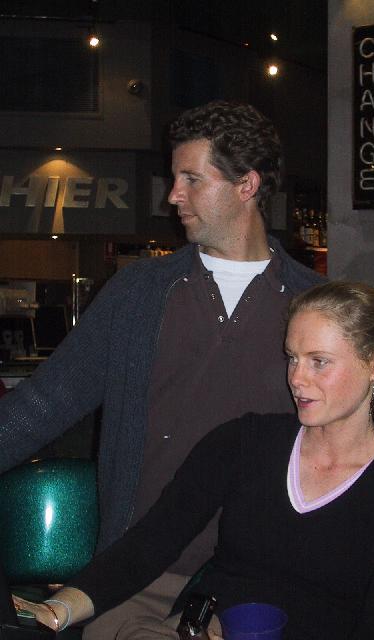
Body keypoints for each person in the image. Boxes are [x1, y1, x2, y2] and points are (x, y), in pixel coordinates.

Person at [0, 100, 323, 637]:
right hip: (136, 573)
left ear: (246, 184)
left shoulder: (317, 304)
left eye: (191, 179)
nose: (173, 195)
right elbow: (45, 402)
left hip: (266, 577)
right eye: (175, 179)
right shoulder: (138, 294)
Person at [14, 281, 374, 640]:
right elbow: (150, 543)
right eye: (292, 358)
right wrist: (61, 607)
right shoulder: (245, 443)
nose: (297, 379)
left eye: (319, 362)